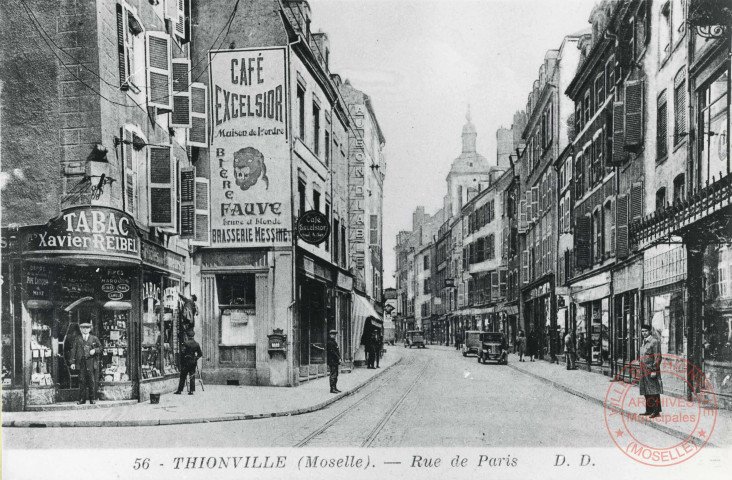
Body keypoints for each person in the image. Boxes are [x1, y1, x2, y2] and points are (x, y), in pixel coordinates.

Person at [70, 322, 102, 404]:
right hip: (81, 363)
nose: (85, 329)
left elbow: (101, 348)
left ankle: (92, 399)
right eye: (83, 328)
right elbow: (73, 350)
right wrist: (72, 362)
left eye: (87, 328)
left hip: (90, 362)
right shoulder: (77, 338)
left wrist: (94, 350)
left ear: (90, 329)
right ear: (80, 329)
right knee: (81, 380)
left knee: (91, 380)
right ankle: (82, 399)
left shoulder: (94, 338)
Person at [639, 324, 663, 418]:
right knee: (645, 390)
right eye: (642, 331)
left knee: (653, 390)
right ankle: (649, 410)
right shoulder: (644, 342)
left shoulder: (654, 342)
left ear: (650, 331)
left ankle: (656, 411)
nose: (644, 333)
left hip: (651, 370)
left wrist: (654, 370)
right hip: (643, 370)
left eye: (645, 331)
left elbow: (658, 357)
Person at [175, 330, 203, 395]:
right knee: (192, 375)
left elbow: (183, 352)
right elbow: (200, 354)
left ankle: (179, 390)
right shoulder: (196, 344)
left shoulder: (185, 343)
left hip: (186, 362)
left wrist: (182, 360)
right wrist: (195, 358)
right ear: (193, 336)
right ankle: (191, 391)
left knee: (183, 376)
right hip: (193, 362)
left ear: (187, 336)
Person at [326, 329, 342, 394]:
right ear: (330, 335)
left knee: (336, 375)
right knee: (333, 374)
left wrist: (339, 358)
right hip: (332, 361)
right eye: (333, 334)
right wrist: (338, 358)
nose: (334, 336)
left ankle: (335, 387)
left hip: (335, 361)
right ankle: (332, 389)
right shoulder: (330, 342)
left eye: (335, 335)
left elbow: (337, 351)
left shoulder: (334, 342)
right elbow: (333, 352)